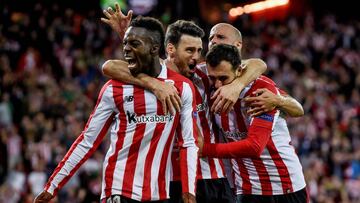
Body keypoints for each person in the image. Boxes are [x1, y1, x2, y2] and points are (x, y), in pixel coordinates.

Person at [34, 16, 198, 203]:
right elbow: (87, 141)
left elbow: (188, 143)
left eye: (134, 43)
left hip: (159, 193)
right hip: (118, 189)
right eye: (125, 43)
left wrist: (189, 191)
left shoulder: (182, 87)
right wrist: (52, 186)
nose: (126, 48)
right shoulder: (113, 88)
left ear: (154, 48)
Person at [199, 44, 308, 203]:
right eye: (213, 78)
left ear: (239, 71)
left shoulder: (260, 92)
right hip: (247, 188)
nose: (217, 85)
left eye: (223, 78)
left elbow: (254, 146)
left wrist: (205, 149)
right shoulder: (208, 89)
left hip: (284, 186)